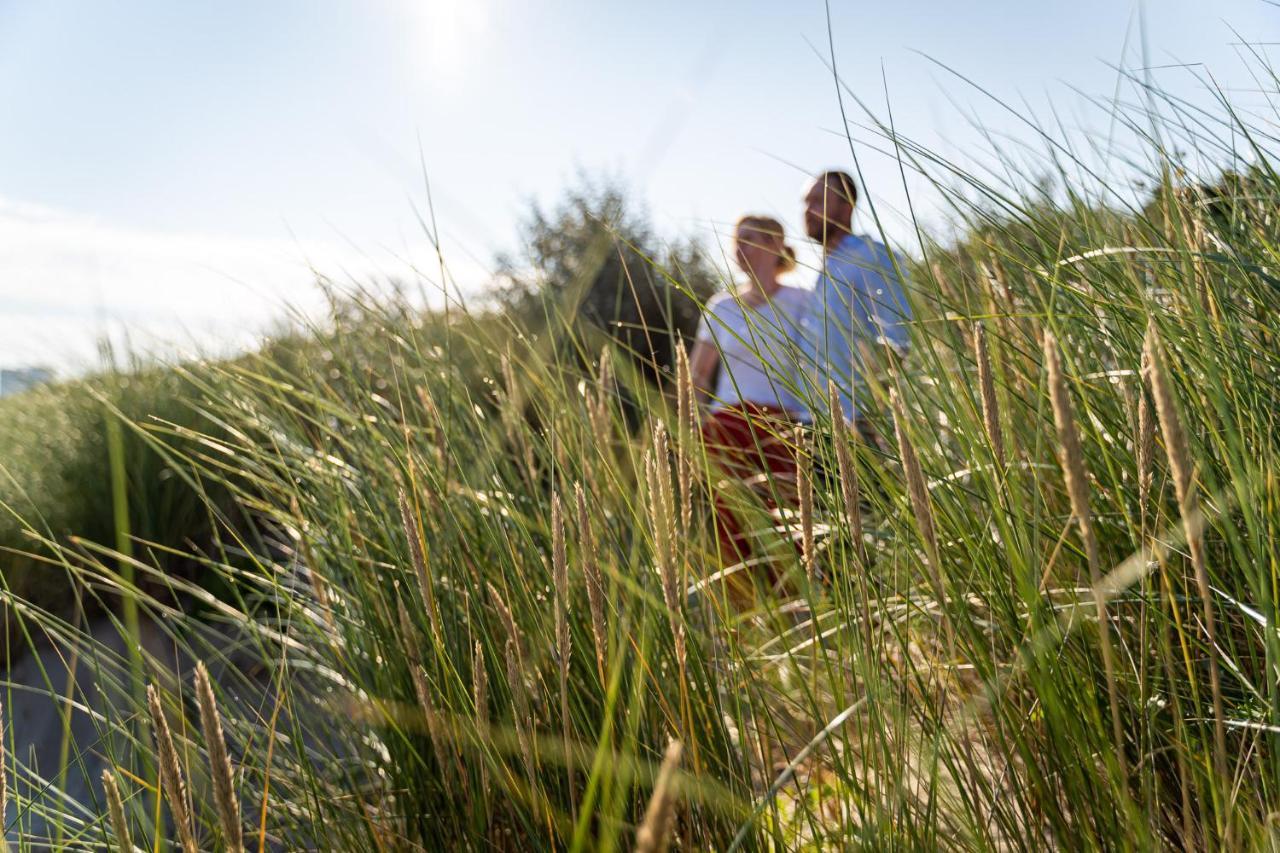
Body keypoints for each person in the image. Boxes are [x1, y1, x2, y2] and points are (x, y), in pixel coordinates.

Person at [689, 215, 810, 581]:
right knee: (730, 525)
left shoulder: (802, 301)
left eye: (750, 239)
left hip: (783, 428)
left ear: (775, 244)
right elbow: (697, 375)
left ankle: (799, 613)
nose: (740, 248)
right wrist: (689, 427)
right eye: (737, 241)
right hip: (726, 426)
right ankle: (744, 622)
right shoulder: (721, 305)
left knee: (788, 522)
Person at [797, 171, 911, 430]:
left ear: (846, 206)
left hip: (857, 420)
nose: (807, 210)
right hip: (816, 418)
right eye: (805, 202)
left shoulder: (872, 257)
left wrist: (873, 413)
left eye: (818, 201)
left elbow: (897, 340)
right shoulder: (825, 267)